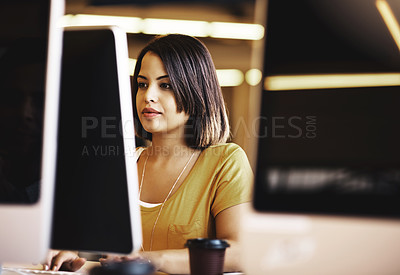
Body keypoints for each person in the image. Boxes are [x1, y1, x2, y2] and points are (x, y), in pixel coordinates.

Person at [45, 34, 253, 274]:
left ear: (195, 91)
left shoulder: (226, 161)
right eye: (142, 84)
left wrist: (151, 260)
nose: (148, 96)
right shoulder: (120, 164)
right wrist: (76, 254)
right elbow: (101, 251)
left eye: (165, 85)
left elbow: (239, 253)